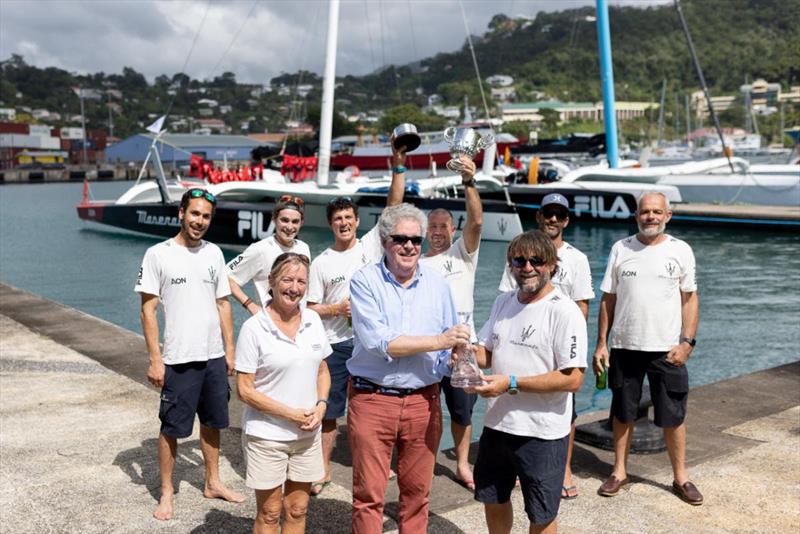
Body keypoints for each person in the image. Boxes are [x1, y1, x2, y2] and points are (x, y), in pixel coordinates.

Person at [347, 203, 471, 533]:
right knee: (368, 497)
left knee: (418, 497)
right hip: (372, 400)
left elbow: (447, 348)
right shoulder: (364, 281)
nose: (409, 246)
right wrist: (441, 341)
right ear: (385, 241)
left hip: (423, 402)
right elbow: (380, 342)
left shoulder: (438, 284)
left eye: (416, 240)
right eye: (401, 239)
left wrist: (455, 355)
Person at [135, 188, 245, 521]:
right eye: (194, 213)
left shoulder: (214, 253)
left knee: (213, 423)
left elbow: (224, 303)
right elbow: (148, 310)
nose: (199, 221)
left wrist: (229, 350)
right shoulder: (158, 254)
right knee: (172, 427)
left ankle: (213, 482)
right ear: (181, 213)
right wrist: (156, 359)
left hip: (212, 356)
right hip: (179, 359)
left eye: (206, 216)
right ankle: (167, 491)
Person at [305, 145, 407, 496]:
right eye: (338, 219)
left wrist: (399, 166)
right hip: (334, 345)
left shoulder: (369, 247)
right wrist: (338, 310)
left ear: (357, 222)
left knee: (377, 407)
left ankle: (380, 464)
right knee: (330, 412)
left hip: (371, 341)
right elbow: (310, 308)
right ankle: (322, 469)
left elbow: (393, 208)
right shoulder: (320, 263)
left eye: (349, 218)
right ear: (331, 224)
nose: (344, 223)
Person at [471, 230, 587, 534]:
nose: (527, 267)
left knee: (541, 513)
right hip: (497, 424)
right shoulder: (503, 302)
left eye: (537, 260)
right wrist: (460, 351)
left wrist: (510, 382)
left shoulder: (565, 311)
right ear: (510, 265)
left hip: (542, 432)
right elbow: (486, 352)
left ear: (551, 264)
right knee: (493, 498)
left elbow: (573, 378)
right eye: (519, 260)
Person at [594, 191, 702, 505]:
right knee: (623, 413)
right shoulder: (620, 249)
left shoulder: (680, 250)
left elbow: (690, 299)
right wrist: (602, 343)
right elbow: (608, 299)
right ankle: (619, 471)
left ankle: (681, 477)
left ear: (668, 215)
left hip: (667, 349)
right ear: (637, 215)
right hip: (625, 346)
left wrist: (687, 343)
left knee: (674, 416)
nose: (650, 217)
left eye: (657, 212)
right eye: (645, 212)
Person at [498, 193, 594, 500]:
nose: (553, 219)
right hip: (523, 341)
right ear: (539, 216)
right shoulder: (520, 253)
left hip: (559, 344)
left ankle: (562, 469)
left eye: (559, 215)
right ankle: (518, 466)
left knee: (566, 410)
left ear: (566, 220)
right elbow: (508, 301)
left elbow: (582, 306)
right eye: (547, 214)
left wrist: (567, 346)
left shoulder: (577, 258)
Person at [235, 252, 332, 533]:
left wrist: (322, 404)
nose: (294, 287)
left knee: (298, 509)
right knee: (269, 513)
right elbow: (244, 390)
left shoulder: (313, 320)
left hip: (306, 435)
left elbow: (323, 371)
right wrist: (290, 414)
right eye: (287, 279)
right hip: (267, 436)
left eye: (301, 281)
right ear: (271, 282)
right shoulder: (254, 328)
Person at [419, 154, 482, 491]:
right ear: (426, 231)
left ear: (453, 229)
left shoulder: (464, 252)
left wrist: (468, 182)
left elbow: (478, 221)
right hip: (430, 349)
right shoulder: (416, 262)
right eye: (433, 227)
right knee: (426, 409)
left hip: (463, 348)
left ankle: (461, 464)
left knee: (463, 412)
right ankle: (423, 461)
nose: (439, 231)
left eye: (444, 226)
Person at [228, 195, 310, 314]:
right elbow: (226, 278)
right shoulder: (259, 249)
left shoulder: (304, 248)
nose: (289, 227)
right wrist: (250, 305)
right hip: (269, 325)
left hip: (298, 324)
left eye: (295, 222)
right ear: (274, 219)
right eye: (284, 220)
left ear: (301, 223)